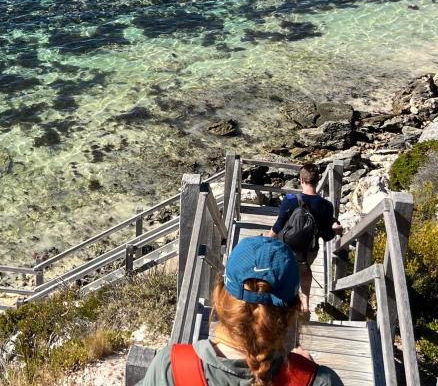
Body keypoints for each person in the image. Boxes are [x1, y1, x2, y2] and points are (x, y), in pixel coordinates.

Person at [141, 237, 341, 386]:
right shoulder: (319, 381)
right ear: (293, 311)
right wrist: (303, 373)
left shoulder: (171, 367)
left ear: (220, 296)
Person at [267, 163, 343, 314]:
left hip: (286, 248)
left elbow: (278, 226)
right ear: (318, 180)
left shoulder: (290, 200)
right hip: (309, 250)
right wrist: (336, 229)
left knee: (282, 271)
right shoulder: (326, 206)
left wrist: (266, 240)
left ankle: (279, 304)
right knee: (305, 272)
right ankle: (305, 305)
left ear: (301, 180)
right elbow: (327, 236)